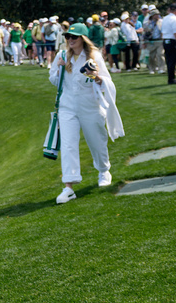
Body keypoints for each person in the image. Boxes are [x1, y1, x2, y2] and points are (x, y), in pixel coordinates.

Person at [50, 22, 124, 204]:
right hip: (67, 106)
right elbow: (53, 80)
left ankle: (103, 170)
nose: (70, 40)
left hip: (90, 105)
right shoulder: (61, 55)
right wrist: (60, 67)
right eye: (67, 37)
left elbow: (106, 81)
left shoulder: (94, 56)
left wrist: (95, 76)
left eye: (73, 37)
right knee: (68, 145)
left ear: (83, 39)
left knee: (97, 140)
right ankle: (68, 186)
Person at [162, 3, 176, 85]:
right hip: (172, 41)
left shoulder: (164, 18)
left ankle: (171, 77)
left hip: (165, 40)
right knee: (174, 59)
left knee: (169, 60)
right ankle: (171, 78)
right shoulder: (175, 19)